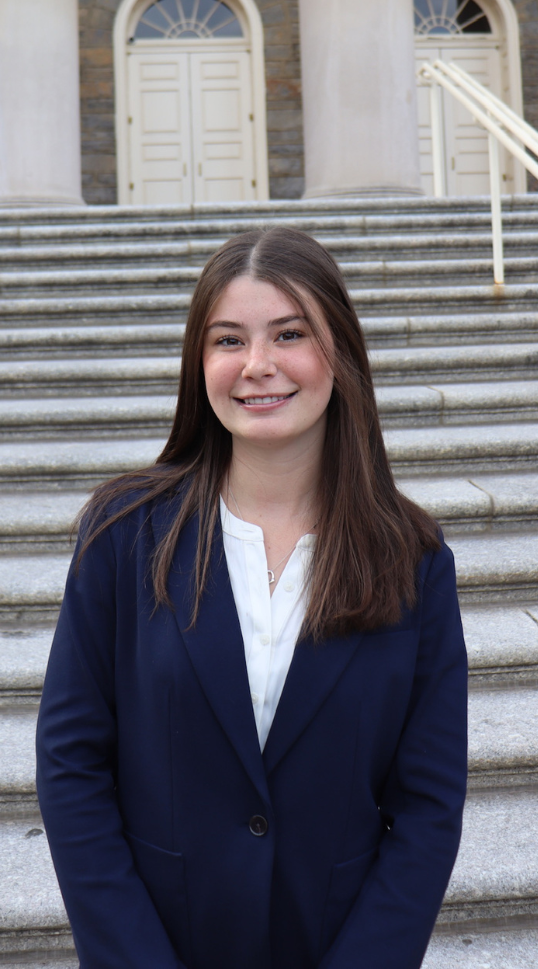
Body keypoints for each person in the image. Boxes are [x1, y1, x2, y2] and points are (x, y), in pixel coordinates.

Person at [36, 226, 468, 969]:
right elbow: (71, 766)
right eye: (228, 340)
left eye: (290, 334)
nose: (258, 366)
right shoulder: (122, 535)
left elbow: (429, 807)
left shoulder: (414, 561)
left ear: (342, 354)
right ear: (199, 363)